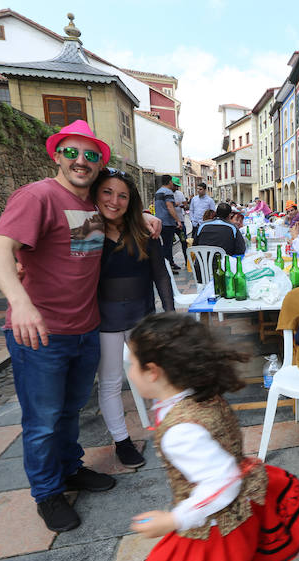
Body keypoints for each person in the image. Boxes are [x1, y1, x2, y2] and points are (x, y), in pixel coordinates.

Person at [0, 120, 128, 532]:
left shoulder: (90, 206)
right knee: (42, 419)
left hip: (85, 329)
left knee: (70, 410)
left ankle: (70, 469)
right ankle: (47, 493)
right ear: (57, 155)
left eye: (91, 155)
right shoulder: (38, 195)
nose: (81, 161)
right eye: (72, 152)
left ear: (100, 163)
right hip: (40, 333)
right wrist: (20, 302)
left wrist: (149, 219)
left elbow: (100, 231)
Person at [126, 313, 299, 561]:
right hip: (241, 505)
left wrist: (175, 520)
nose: (130, 371)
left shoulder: (180, 432)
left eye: (132, 365)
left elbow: (222, 480)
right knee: (248, 559)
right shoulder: (198, 394)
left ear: (152, 371)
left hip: (215, 523)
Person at [93, 169, 174, 469]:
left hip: (142, 316)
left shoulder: (145, 231)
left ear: (131, 200)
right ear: (96, 195)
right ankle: (122, 442)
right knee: (111, 382)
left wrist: (169, 317)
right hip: (105, 320)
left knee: (158, 374)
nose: (114, 201)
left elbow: (161, 275)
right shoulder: (88, 232)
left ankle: (172, 429)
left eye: (122, 195)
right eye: (107, 193)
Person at [154, 175, 181, 272]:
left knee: (165, 245)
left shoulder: (158, 192)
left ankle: (170, 263)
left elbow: (163, 205)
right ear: (170, 182)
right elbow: (169, 207)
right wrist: (178, 220)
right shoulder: (168, 192)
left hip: (160, 222)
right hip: (167, 223)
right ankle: (167, 267)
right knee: (167, 246)